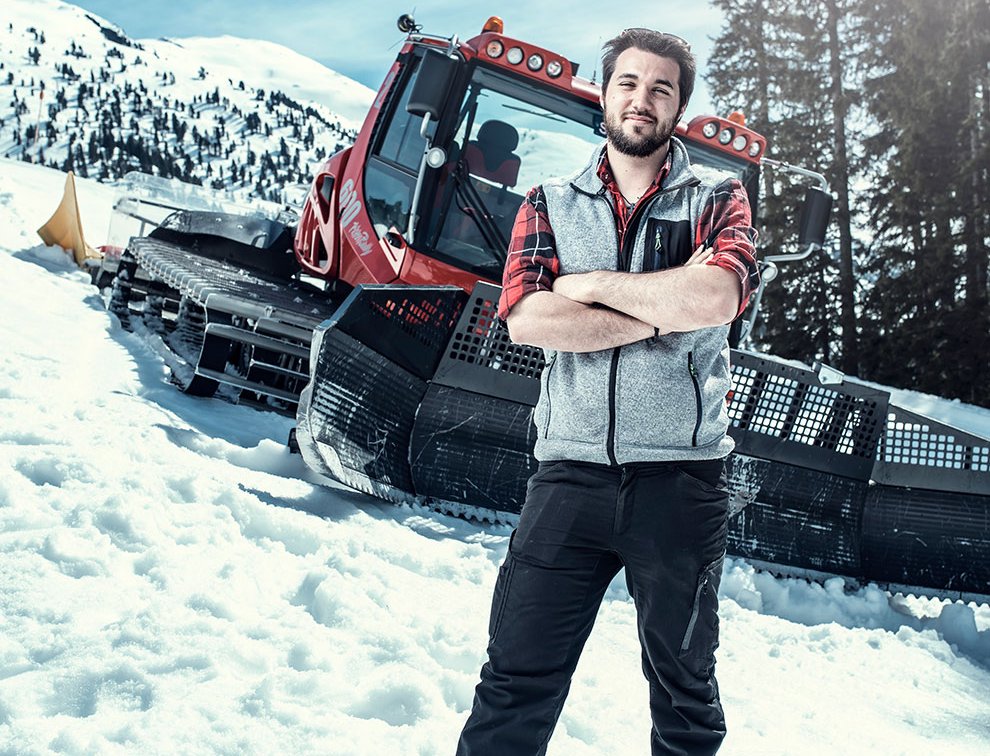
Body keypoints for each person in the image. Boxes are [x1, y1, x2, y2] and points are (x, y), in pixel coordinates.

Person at [456, 28, 759, 756]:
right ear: (605, 92)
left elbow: (718, 297)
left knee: (686, 690)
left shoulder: (718, 197)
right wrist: (660, 309)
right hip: (567, 477)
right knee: (514, 677)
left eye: (661, 87)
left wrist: (590, 291)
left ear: (678, 106)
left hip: (681, 485)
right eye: (628, 82)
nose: (642, 98)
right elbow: (528, 318)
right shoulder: (550, 201)